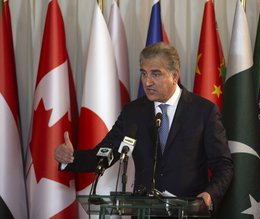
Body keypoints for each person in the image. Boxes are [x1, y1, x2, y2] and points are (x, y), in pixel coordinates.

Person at [55, 42, 233, 214]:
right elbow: (104, 155)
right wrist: (70, 158)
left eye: (156, 74)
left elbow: (223, 165)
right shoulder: (134, 112)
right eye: (144, 74)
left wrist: (210, 195)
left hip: (188, 212)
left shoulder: (203, 111)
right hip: (145, 212)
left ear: (175, 75)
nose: (147, 82)